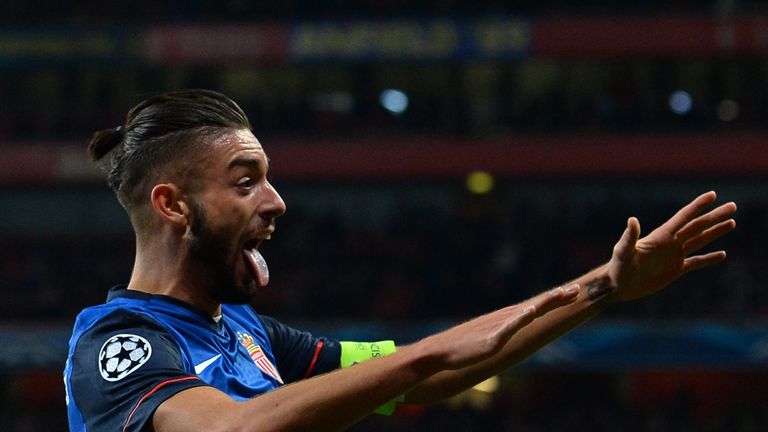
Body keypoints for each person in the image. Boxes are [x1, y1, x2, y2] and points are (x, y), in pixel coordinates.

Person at [64, 89, 737, 432]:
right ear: (174, 206)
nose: (276, 202)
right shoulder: (120, 344)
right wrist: (414, 361)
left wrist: (605, 287)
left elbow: (447, 370)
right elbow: (236, 428)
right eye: (246, 181)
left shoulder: (248, 334)